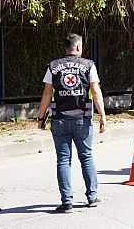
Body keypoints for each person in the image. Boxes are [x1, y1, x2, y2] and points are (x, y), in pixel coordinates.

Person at [37, 33, 106, 213]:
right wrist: (103, 116)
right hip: (82, 120)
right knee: (86, 157)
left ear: (65, 48)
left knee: (63, 160)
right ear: (77, 47)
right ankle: (92, 197)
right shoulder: (88, 65)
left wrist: (40, 117)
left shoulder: (53, 66)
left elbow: (46, 94)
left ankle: (67, 202)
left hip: (59, 119)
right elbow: (96, 92)